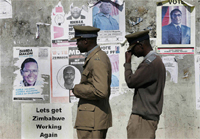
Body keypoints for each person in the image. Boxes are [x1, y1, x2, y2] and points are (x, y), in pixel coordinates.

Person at [71, 25, 112, 139]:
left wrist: (77, 89)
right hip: (91, 120)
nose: (76, 44)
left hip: (92, 121)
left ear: (85, 41)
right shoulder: (95, 57)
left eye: (78, 41)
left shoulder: (97, 59)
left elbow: (101, 91)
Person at [124, 30, 166, 138]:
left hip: (143, 119)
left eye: (133, 49)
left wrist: (127, 63)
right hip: (148, 117)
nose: (133, 52)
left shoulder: (149, 64)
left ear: (140, 45)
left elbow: (130, 81)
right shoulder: (156, 60)